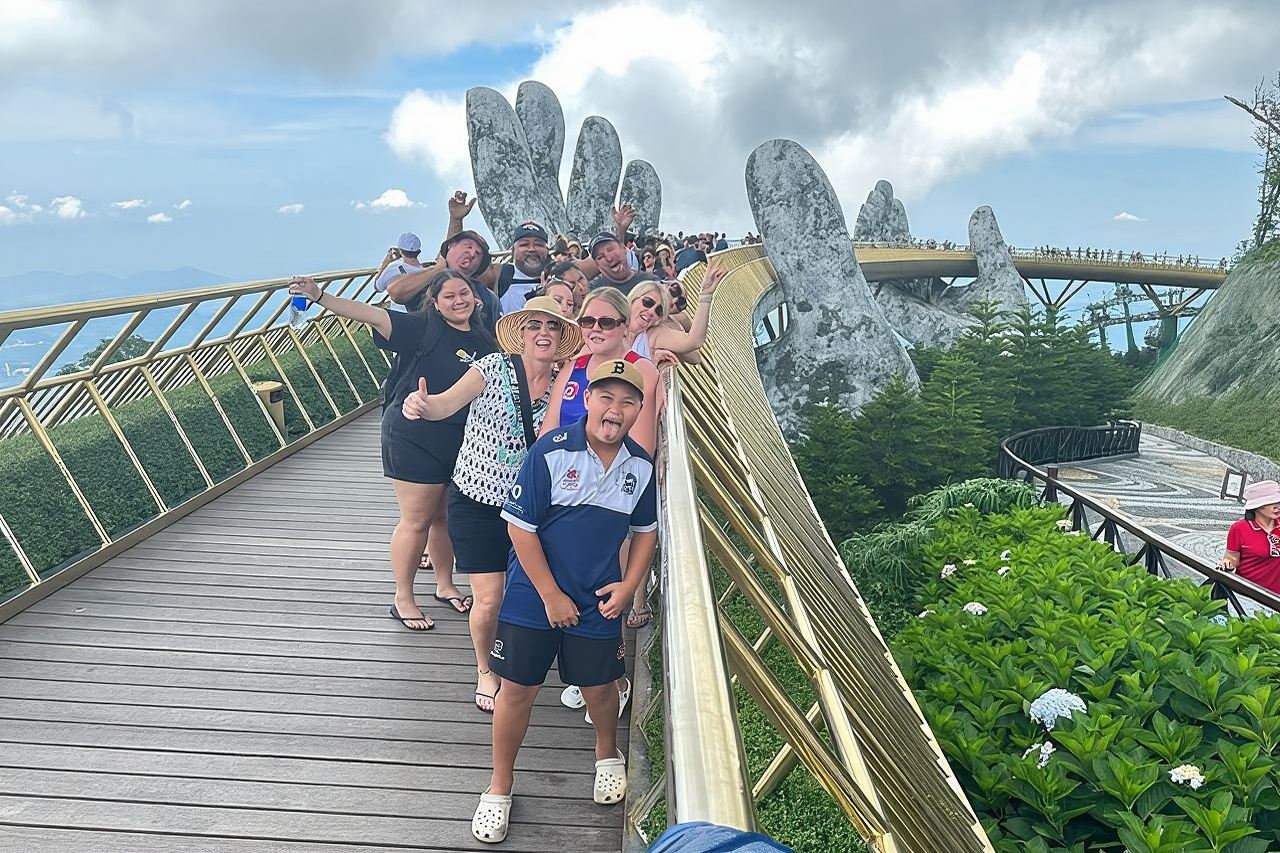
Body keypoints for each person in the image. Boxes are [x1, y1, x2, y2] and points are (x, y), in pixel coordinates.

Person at [471, 359, 658, 844]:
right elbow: (520, 529)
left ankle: (606, 754)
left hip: (598, 598)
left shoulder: (641, 466)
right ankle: (499, 786)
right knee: (517, 690)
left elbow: (645, 533)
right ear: (588, 399)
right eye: (606, 397)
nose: (615, 409)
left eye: (628, 402)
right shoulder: (550, 451)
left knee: (600, 688)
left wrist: (628, 586)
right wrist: (551, 595)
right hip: (533, 595)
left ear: (639, 410)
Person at [400, 296, 583, 713]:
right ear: (521, 333)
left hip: (530, 509)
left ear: (561, 336)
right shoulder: (492, 368)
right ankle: (485, 667)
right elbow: (445, 403)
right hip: (476, 501)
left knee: (529, 590)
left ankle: (524, 658)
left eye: (552, 326)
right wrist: (421, 405)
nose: (543, 333)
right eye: (534, 325)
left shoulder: (566, 383)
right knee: (489, 598)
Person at [289, 269, 497, 630]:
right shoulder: (422, 327)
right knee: (417, 519)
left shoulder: (484, 337)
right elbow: (371, 315)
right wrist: (320, 297)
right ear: (435, 303)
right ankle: (403, 598)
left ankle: (445, 584)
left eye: (464, 293)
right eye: (449, 296)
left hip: (460, 439)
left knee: (444, 516)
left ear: (476, 297)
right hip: (413, 435)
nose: (459, 301)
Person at [386, 227, 501, 334]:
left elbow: (497, 336)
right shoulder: (425, 279)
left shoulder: (488, 296)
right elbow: (396, 291)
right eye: (468, 246)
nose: (471, 254)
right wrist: (438, 270)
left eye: (478, 254)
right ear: (450, 246)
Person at [627, 266, 725, 364]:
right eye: (648, 302)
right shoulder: (618, 316)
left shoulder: (654, 333)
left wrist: (705, 296)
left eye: (659, 311)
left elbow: (694, 349)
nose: (651, 311)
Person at [1220, 480, 1280, 593]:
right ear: (1257, 505)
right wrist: (1227, 563)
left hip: (1276, 597)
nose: (1277, 507)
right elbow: (1232, 559)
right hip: (1248, 596)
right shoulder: (1239, 528)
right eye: (1271, 502)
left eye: (1278, 501)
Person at [373, 233, 425, 313]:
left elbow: (378, 287)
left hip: (399, 315)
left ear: (401, 250)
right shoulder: (425, 272)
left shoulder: (394, 267)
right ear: (418, 251)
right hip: (420, 314)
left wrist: (386, 261)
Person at [588, 232, 656, 293]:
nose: (609, 258)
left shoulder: (650, 282)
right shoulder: (593, 291)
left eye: (611, 249)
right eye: (600, 257)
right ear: (597, 265)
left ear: (623, 248)